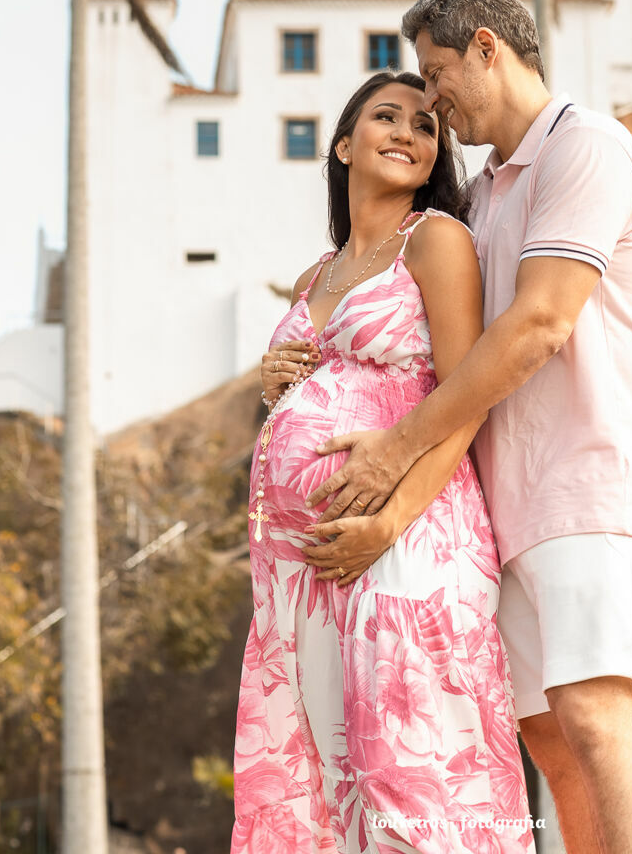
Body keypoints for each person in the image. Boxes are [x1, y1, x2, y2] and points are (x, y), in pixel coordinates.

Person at [278, 0, 632, 854]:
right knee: (546, 735)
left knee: (596, 714)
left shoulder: (588, 149)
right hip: (508, 507)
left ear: (487, 47)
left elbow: (539, 324)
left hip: (590, 479)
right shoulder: (490, 192)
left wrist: (395, 454)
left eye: (436, 73)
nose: (431, 98)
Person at [232, 68, 533, 854]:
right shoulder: (312, 278)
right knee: (332, 789)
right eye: (387, 117)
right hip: (307, 575)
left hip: (412, 536)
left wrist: (391, 520)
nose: (409, 132)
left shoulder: (436, 241)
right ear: (343, 144)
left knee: (416, 778)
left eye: (425, 127)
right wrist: (277, 384)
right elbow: (316, 387)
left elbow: (468, 395)